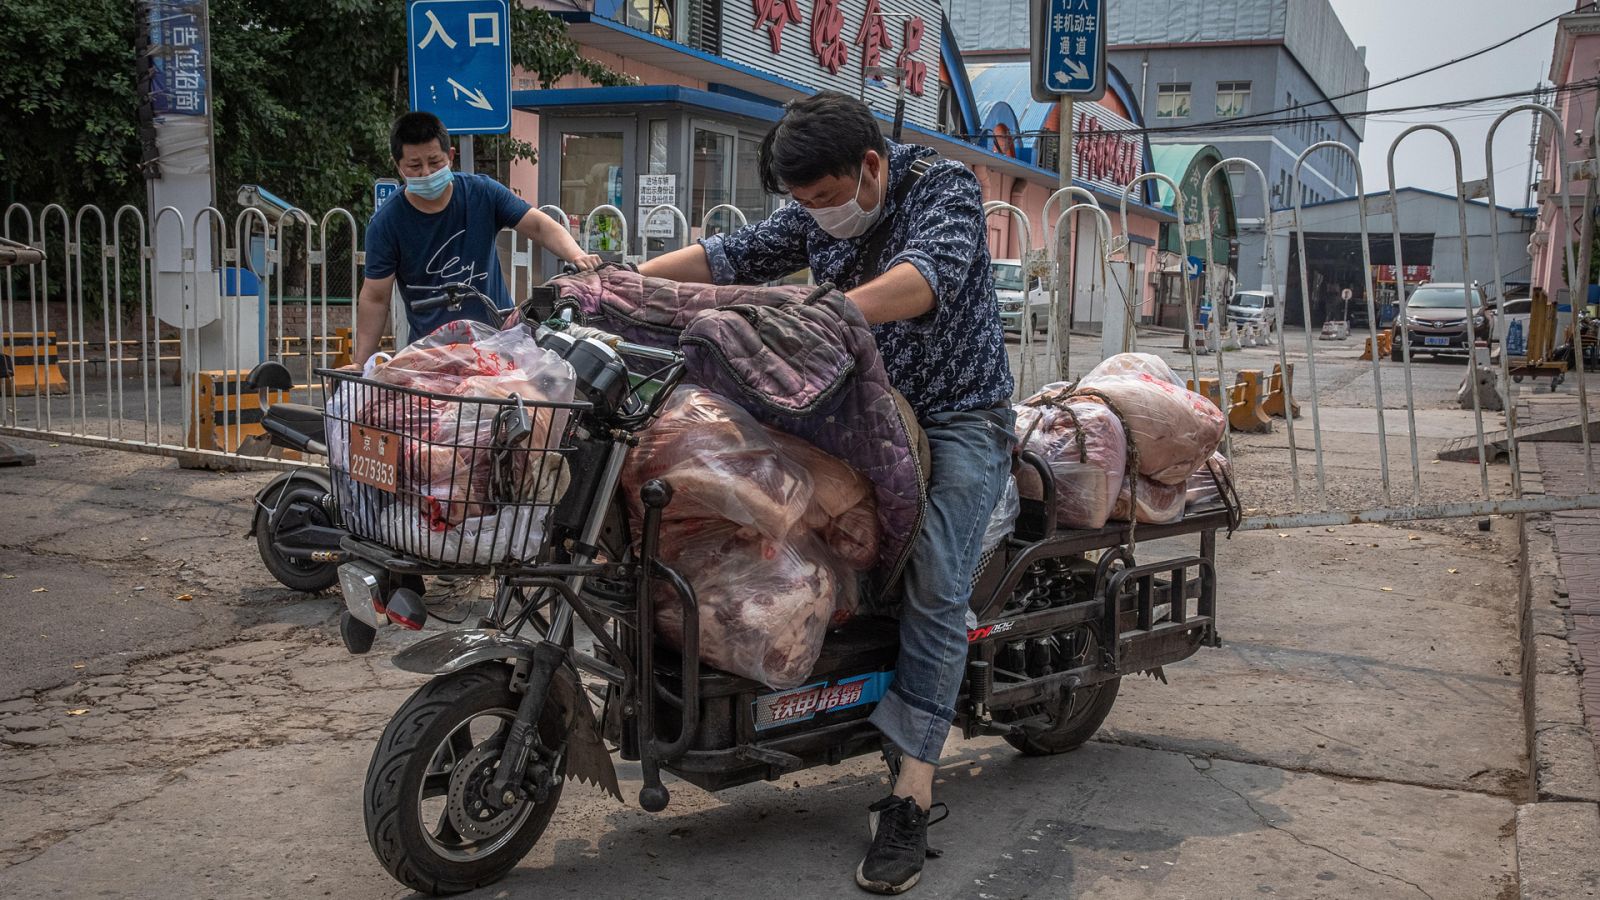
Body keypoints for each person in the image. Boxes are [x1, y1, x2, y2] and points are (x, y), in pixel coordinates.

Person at [638, 91, 1015, 895]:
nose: (813, 216)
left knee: (937, 582)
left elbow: (923, 279)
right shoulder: (819, 212)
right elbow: (727, 257)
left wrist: (827, 312)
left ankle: (910, 794)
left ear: (870, 168)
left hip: (956, 418)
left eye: (821, 199)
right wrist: (615, 285)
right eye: (801, 205)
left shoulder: (942, 190)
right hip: (853, 412)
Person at [353, 112, 600, 365]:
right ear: (398, 166)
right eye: (415, 166)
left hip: (500, 344)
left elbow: (538, 225)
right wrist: (361, 363)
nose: (426, 173)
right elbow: (375, 296)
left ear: (450, 156)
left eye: (435, 162)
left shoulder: (481, 193)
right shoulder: (387, 222)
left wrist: (576, 254)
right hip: (433, 356)